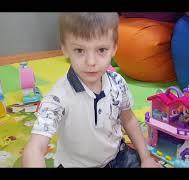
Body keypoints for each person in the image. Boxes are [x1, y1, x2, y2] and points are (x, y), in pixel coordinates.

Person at [22, 12, 161, 168]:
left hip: (117, 157)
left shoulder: (117, 83)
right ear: (65, 48)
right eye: (80, 50)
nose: (91, 62)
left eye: (101, 50)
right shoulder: (57, 98)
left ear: (114, 48)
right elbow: (35, 148)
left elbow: (128, 119)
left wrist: (146, 158)